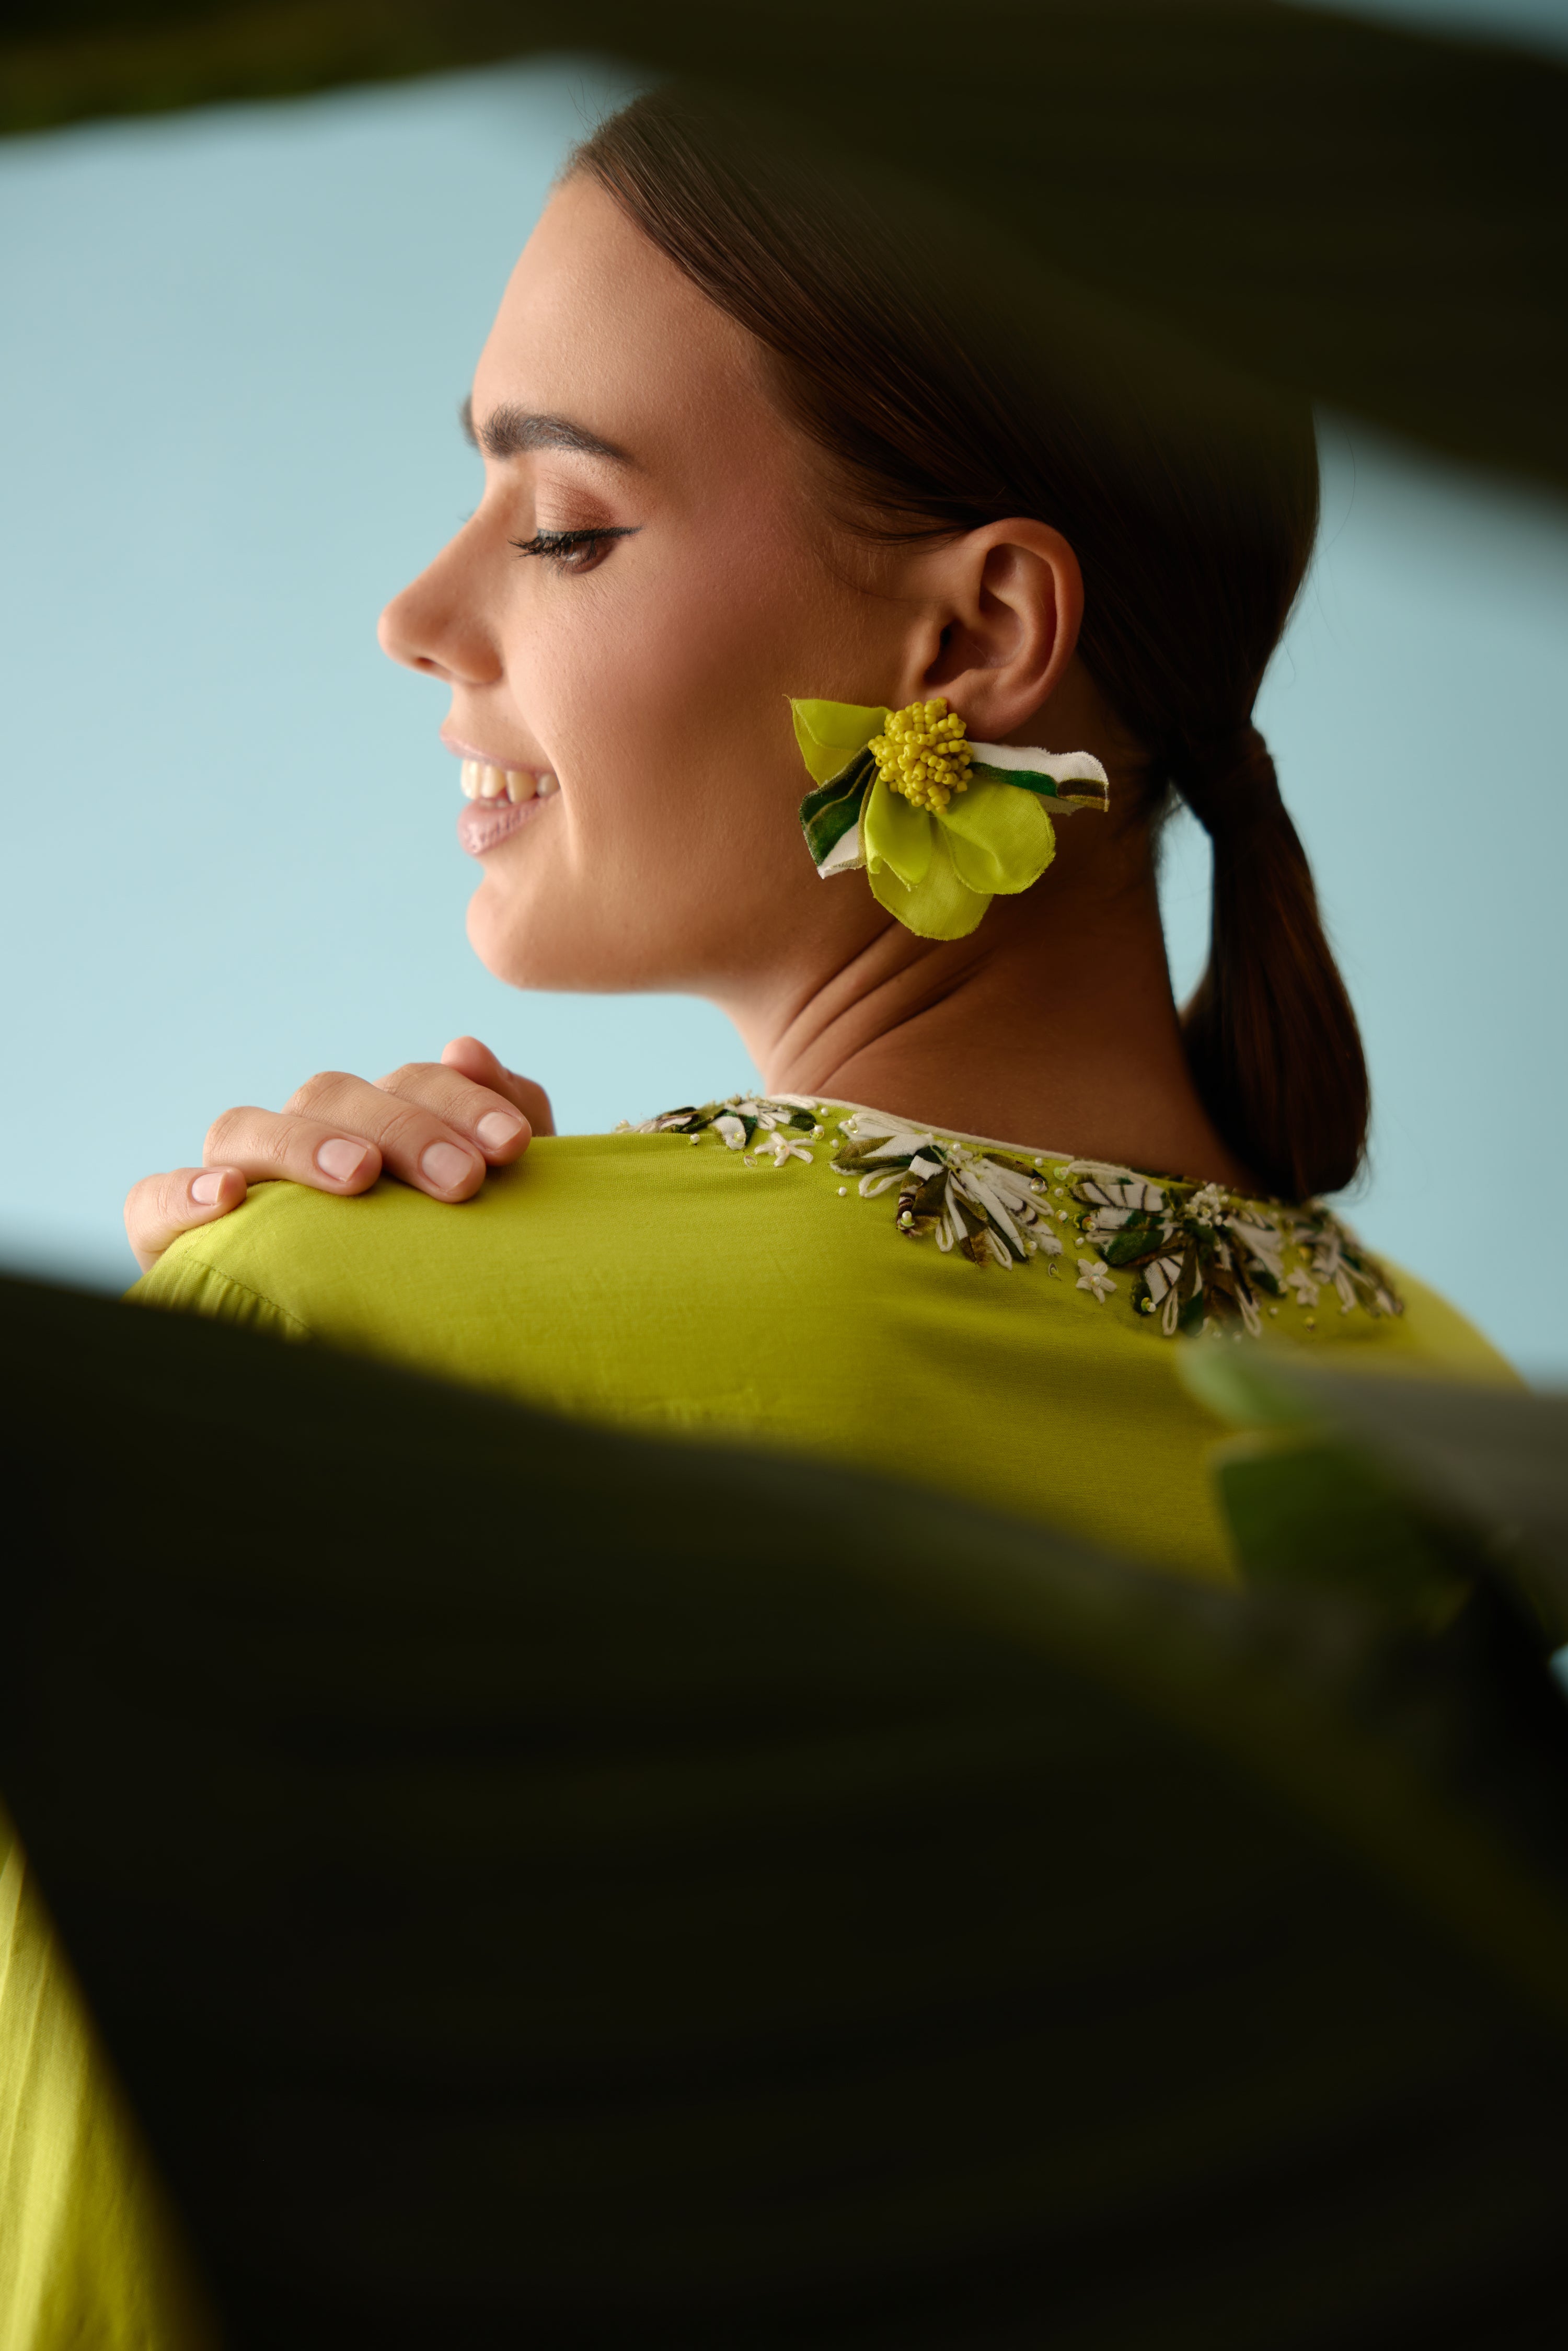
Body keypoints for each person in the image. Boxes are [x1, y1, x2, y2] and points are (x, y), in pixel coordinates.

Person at [0, 92, 1518, 2345]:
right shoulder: (1464, 1451)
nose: (421, 615)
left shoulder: (354, 1334)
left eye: (568, 524)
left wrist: (243, 1365)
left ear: (977, 636)